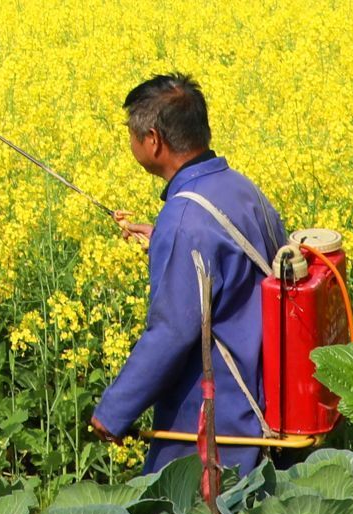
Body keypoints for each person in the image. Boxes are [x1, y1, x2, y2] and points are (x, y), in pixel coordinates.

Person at [90, 73, 286, 477]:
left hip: (221, 419)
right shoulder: (239, 187)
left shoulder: (184, 219)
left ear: (153, 140)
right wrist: (166, 236)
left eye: (131, 134)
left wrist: (114, 412)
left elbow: (172, 333)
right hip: (269, 396)